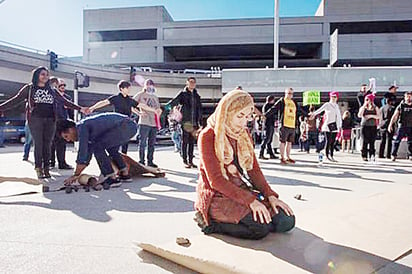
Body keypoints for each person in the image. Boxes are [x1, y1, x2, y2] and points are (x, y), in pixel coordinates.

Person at [194, 89, 295, 240]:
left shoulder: (243, 133)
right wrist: (250, 201)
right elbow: (216, 180)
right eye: (239, 116)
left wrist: (270, 195)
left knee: (286, 221)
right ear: (226, 112)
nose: (243, 122)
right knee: (260, 228)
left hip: (239, 188)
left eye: (248, 116)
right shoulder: (208, 135)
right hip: (218, 195)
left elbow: (253, 169)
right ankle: (211, 223)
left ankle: (255, 218)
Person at [0, 66, 88, 179]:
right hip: (35, 119)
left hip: (50, 120)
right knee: (39, 144)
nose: (45, 77)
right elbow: (16, 100)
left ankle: (46, 168)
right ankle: (38, 168)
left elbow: (64, 101)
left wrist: (80, 108)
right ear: (36, 75)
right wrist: (1, 107)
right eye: (43, 74)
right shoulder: (30, 88)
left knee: (48, 144)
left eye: (47, 75)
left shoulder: (52, 90)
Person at [57, 113, 137, 188]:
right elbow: (87, 155)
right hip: (130, 126)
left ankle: (111, 177)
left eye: (66, 136)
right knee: (111, 148)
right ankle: (125, 174)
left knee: (98, 147)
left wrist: (75, 175)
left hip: (125, 126)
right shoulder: (85, 129)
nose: (68, 140)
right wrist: (77, 173)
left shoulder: (82, 127)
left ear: (71, 129)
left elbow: (82, 153)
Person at [90, 80, 142, 154]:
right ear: (121, 89)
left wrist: (140, 113)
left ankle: (124, 158)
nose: (129, 90)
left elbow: (135, 107)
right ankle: (113, 157)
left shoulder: (129, 100)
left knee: (125, 143)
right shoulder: (116, 98)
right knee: (116, 142)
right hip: (117, 123)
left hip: (126, 124)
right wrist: (92, 108)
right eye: (128, 88)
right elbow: (104, 102)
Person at [166, 77, 202, 168]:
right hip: (186, 122)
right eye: (190, 82)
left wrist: (200, 123)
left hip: (194, 123)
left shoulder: (197, 96)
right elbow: (173, 102)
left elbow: (199, 110)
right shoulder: (183, 94)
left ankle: (191, 161)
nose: (192, 84)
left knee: (191, 142)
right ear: (187, 83)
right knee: (184, 141)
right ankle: (185, 160)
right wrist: (166, 108)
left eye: (194, 82)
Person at [265, 88, 300, 164]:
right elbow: (273, 108)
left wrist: (308, 115)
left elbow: (299, 110)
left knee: (289, 142)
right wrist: (265, 115)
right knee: (283, 141)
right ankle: (282, 157)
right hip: (284, 124)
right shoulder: (282, 101)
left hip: (292, 124)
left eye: (291, 93)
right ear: (285, 93)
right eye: (288, 93)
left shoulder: (294, 102)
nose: (290, 95)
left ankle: (288, 157)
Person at [133, 79, 162, 167]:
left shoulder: (155, 97)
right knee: (142, 142)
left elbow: (158, 109)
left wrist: (159, 112)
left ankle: (150, 161)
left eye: (151, 84)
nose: (150, 86)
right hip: (144, 122)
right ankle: (141, 161)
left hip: (154, 122)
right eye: (148, 84)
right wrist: (139, 113)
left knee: (152, 143)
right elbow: (131, 105)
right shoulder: (140, 95)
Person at [310, 92, 342, 162]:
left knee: (333, 142)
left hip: (335, 126)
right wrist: (313, 114)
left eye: (335, 97)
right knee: (328, 141)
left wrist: (339, 126)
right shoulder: (327, 104)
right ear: (330, 97)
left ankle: (332, 155)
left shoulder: (336, 106)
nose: (333, 98)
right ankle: (327, 155)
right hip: (327, 125)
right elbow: (320, 110)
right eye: (332, 97)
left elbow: (339, 117)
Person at [50, 79, 75, 169]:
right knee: (51, 143)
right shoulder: (52, 96)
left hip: (63, 123)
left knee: (61, 143)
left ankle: (62, 163)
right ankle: (51, 162)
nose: (62, 86)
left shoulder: (67, 98)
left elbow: (71, 111)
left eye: (64, 85)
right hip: (52, 122)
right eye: (60, 85)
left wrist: (72, 123)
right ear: (56, 86)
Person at [388, 91, 412, 161]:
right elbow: (395, 115)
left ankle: (410, 155)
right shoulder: (401, 105)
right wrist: (390, 125)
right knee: (397, 141)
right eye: (407, 96)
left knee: (410, 142)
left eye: (410, 96)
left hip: (410, 126)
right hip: (402, 125)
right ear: (405, 97)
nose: (408, 98)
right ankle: (393, 154)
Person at [358, 93, 381, 161]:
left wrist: (371, 116)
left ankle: (372, 154)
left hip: (372, 126)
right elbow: (359, 115)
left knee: (372, 141)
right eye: (366, 99)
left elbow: (379, 116)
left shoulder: (375, 107)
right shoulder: (363, 107)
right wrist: (364, 105)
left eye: (368, 99)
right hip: (364, 126)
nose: (367, 100)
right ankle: (364, 155)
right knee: (365, 141)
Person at [259, 95, 278, 160]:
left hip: (271, 124)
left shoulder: (268, 105)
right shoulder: (267, 106)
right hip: (268, 124)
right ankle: (261, 153)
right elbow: (268, 114)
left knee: (269, 140)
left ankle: (271, 154)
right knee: (266, 139)